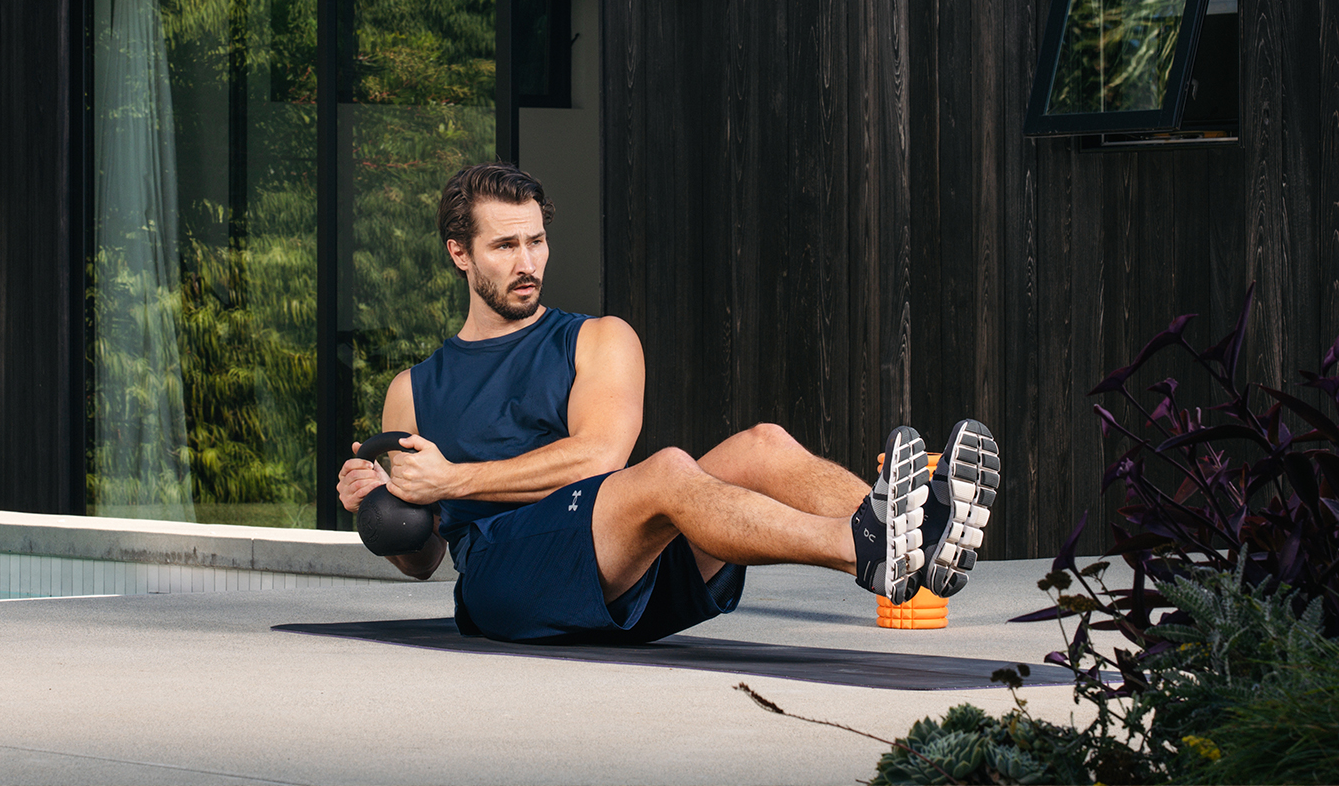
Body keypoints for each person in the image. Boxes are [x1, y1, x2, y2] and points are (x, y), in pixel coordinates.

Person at [337, 162, 1000, 644]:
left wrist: (453, 478)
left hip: (622, 565)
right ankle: (870, 546)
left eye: (536, 240)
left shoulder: (597, 340)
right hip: (505, 585)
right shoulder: (413, 390)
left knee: (763, 444)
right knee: (670, 472)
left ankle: (920, 529)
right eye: (505, 245)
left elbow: (599, 454)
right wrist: (376, 500)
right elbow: (421, 561)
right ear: (460, 253)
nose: (527, 261)